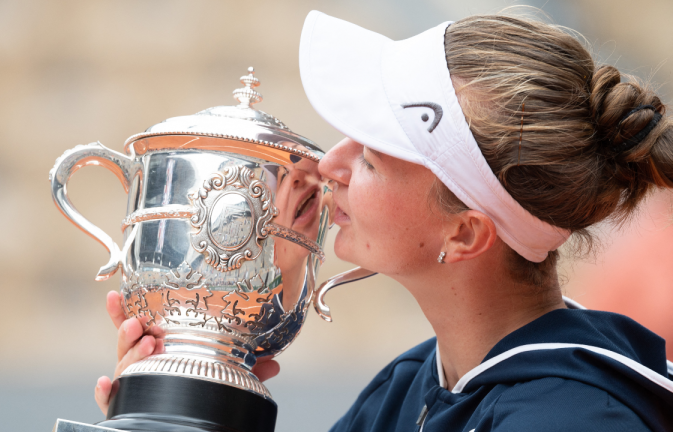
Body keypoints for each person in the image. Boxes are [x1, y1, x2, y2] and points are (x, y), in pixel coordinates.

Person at [96, 10, 673, 431]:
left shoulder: (571, 421)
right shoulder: (414, 382)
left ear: (465, 233)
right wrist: (180, 404)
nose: (330, 164)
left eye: (370, 157)